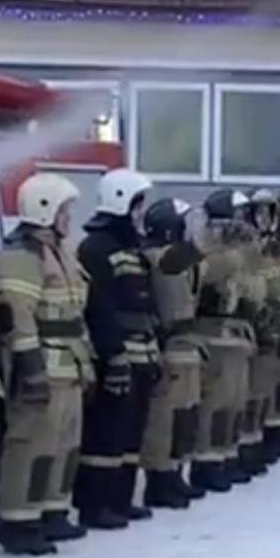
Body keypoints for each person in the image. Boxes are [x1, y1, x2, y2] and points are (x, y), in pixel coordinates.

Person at [0, 173, 93, 555]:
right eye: (65, 210)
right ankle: (20, 522)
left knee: (64, 446)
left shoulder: (60, 252)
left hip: (69, 367)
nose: (69, 217)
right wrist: (31, 369)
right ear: (44, 209)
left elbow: (74, 311)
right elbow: (19, 316)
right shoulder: (21, 256)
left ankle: (53, 511)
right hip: (43, 368)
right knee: (32, 446)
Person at [74, 168, 160, 530]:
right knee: (105, 433)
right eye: (138, 205)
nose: (142, 214)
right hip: (115, 352)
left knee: (131, 432)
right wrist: (113, 356)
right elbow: (101, 308)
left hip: (141, 350)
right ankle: (95, 506)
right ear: (122, 202)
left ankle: (122, 500)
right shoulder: (96, 248)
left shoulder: (131, 248)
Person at [139, 197, 205, 509]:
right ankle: (159, 479)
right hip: (169, 346)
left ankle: (177, 471)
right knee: (165, 418)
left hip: (188, 343)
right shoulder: (157, 257)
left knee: (186, 415)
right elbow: (176, 260)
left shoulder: (178, 258)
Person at [188, 189, 254, 494]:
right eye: (237, 216)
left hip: (233, 331)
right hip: (212, 332)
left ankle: (227, 454)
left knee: (234, 402)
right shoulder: (211, 254)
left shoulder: (237, 253)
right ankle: (206, 462)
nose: (243, 223)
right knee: (214, 403)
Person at [235, 189, 280, 479]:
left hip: (269, 325)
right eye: (259, 213)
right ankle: (243, 448)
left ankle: (256, 443)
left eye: (269, 213)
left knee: (262, 391)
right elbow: (245, 291)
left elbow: (274, 289)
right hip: (251, 327)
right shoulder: (245, 248)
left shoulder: (267, 247)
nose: (265, 219)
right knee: (247, 394)